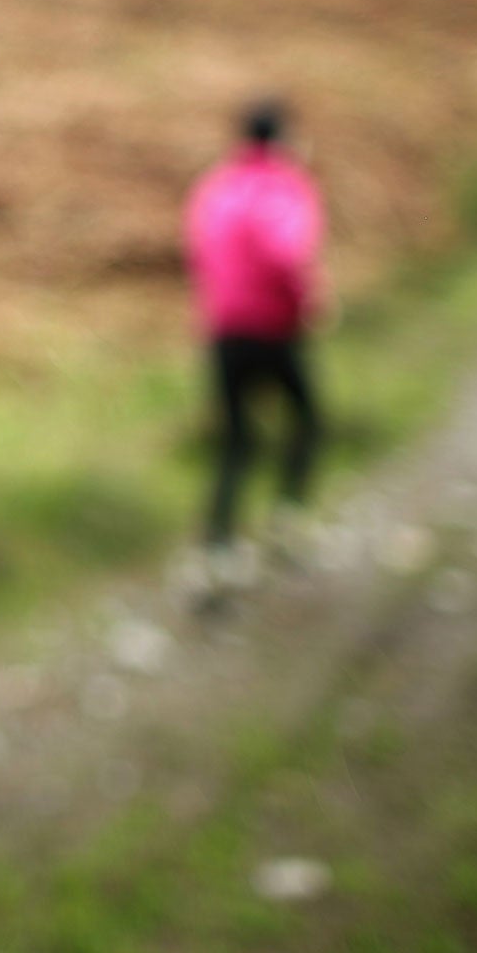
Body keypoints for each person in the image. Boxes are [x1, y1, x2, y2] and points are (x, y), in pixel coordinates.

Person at [182, 99, 325, 609]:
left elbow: (197, 251)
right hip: (275, 328)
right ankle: (287, 522)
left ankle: (217, 554)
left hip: (224, 331)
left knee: (236, 443)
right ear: (283, 136)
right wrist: (307, 303)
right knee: (307, 421)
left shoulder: (214, 186)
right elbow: (287, 252)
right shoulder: (285, 185)